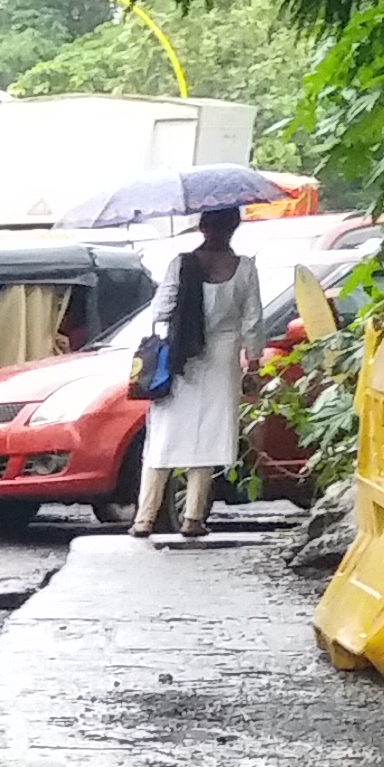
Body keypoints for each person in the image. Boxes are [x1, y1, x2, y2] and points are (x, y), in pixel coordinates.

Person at [134, 208, 264, 537]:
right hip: (223, 358)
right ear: (235, 227)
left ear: (202, 226)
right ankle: (193, 518)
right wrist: (255, 364)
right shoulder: (245, 268)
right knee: (210, 435)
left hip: (181, 359)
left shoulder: (181, 264)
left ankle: (144, 518)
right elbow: (253, 321)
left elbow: (161, 310)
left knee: (163, 436)